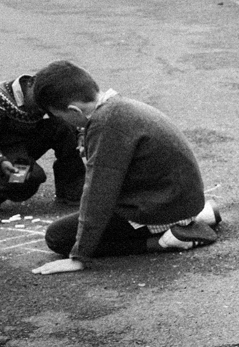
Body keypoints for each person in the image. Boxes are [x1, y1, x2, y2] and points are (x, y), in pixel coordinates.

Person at [30, 61, 221, 275]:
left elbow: (98, 194)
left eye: (60, 117)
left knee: (58, 237)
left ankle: (165, 240)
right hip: (175, 198)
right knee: (84, 224)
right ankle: (200, 215)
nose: (64, 123)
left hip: (160, 206)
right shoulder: (115, 106)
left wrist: (79, 256)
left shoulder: (106, 125)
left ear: (74, 110)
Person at [1, 71, 84, 205]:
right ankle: (9, 186)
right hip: (6, 151)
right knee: (28, 177)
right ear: (30, 83)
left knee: (63, 127)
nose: (43, 108)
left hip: (21, 145)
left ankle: (72, 192)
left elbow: (69, 116)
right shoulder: (2, 98)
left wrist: (80, 135)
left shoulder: (45, 94)